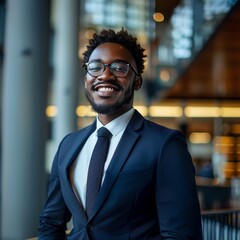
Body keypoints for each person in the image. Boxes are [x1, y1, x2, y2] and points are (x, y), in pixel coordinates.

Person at [38, 28, 203, 239]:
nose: (105, 75)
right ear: (86, 79)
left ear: (137, 81)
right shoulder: (69, 145)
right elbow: (51, 223)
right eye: (95, 67)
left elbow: (181, 235)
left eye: (119, 68)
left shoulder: (165, 145)